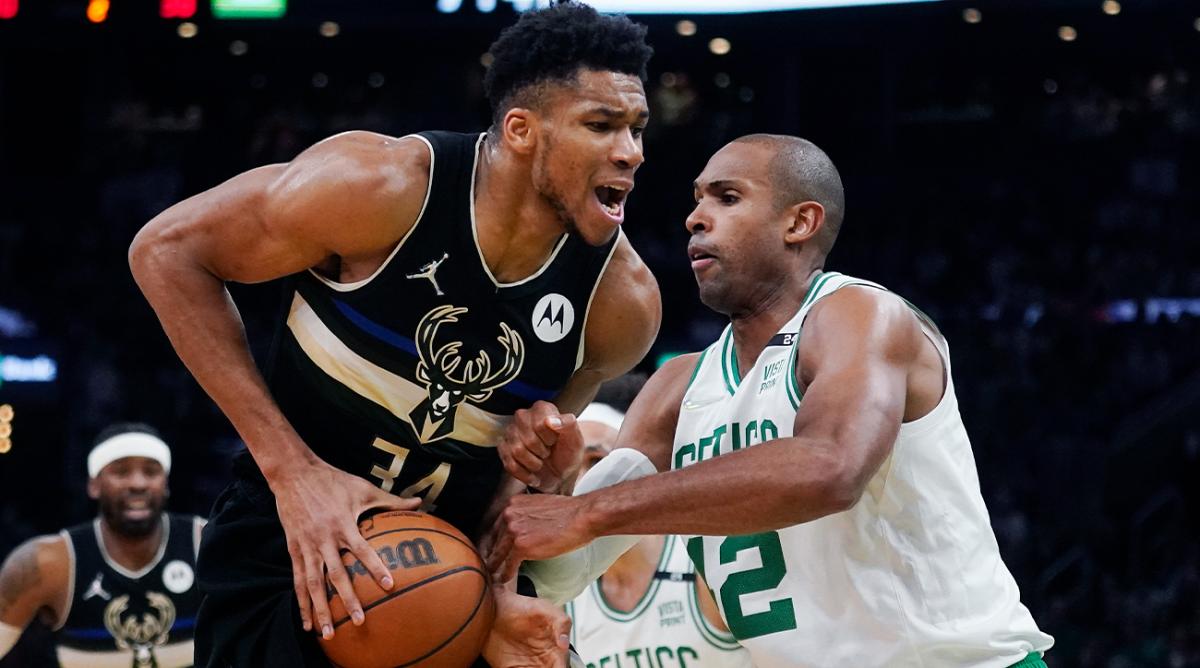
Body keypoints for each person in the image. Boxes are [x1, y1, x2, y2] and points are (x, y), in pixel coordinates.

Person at [127, 2, 660, 666]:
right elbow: (166, 252)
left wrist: (502, 579)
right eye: (601, 126)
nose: (630, 152)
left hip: (448, 579)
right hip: (289, 537)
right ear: (522, 129)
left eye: (637, 128)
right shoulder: (378, 188)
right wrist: (293, 473)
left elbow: (510, 496)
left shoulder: (621, 303)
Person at [487, 134, 1056, 667]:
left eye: (727, 197)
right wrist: (557, 490)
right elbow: (572, 569)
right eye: (696, 200)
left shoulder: (860, 316)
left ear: (800, 222)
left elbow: (832, 468)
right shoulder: (677, 388)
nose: (694, 218)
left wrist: (588, 510)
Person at [0, 424, 204, 668]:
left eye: (151, 472)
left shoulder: (205, 542)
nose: (138, 484)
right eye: (121, 472)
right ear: (94, 485)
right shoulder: (48, 563)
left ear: (166, 484)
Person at [567, 400, 751, 668]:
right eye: (570, 469)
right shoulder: (561, 598)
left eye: (596, 461)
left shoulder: (705, 560)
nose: (583, 481)